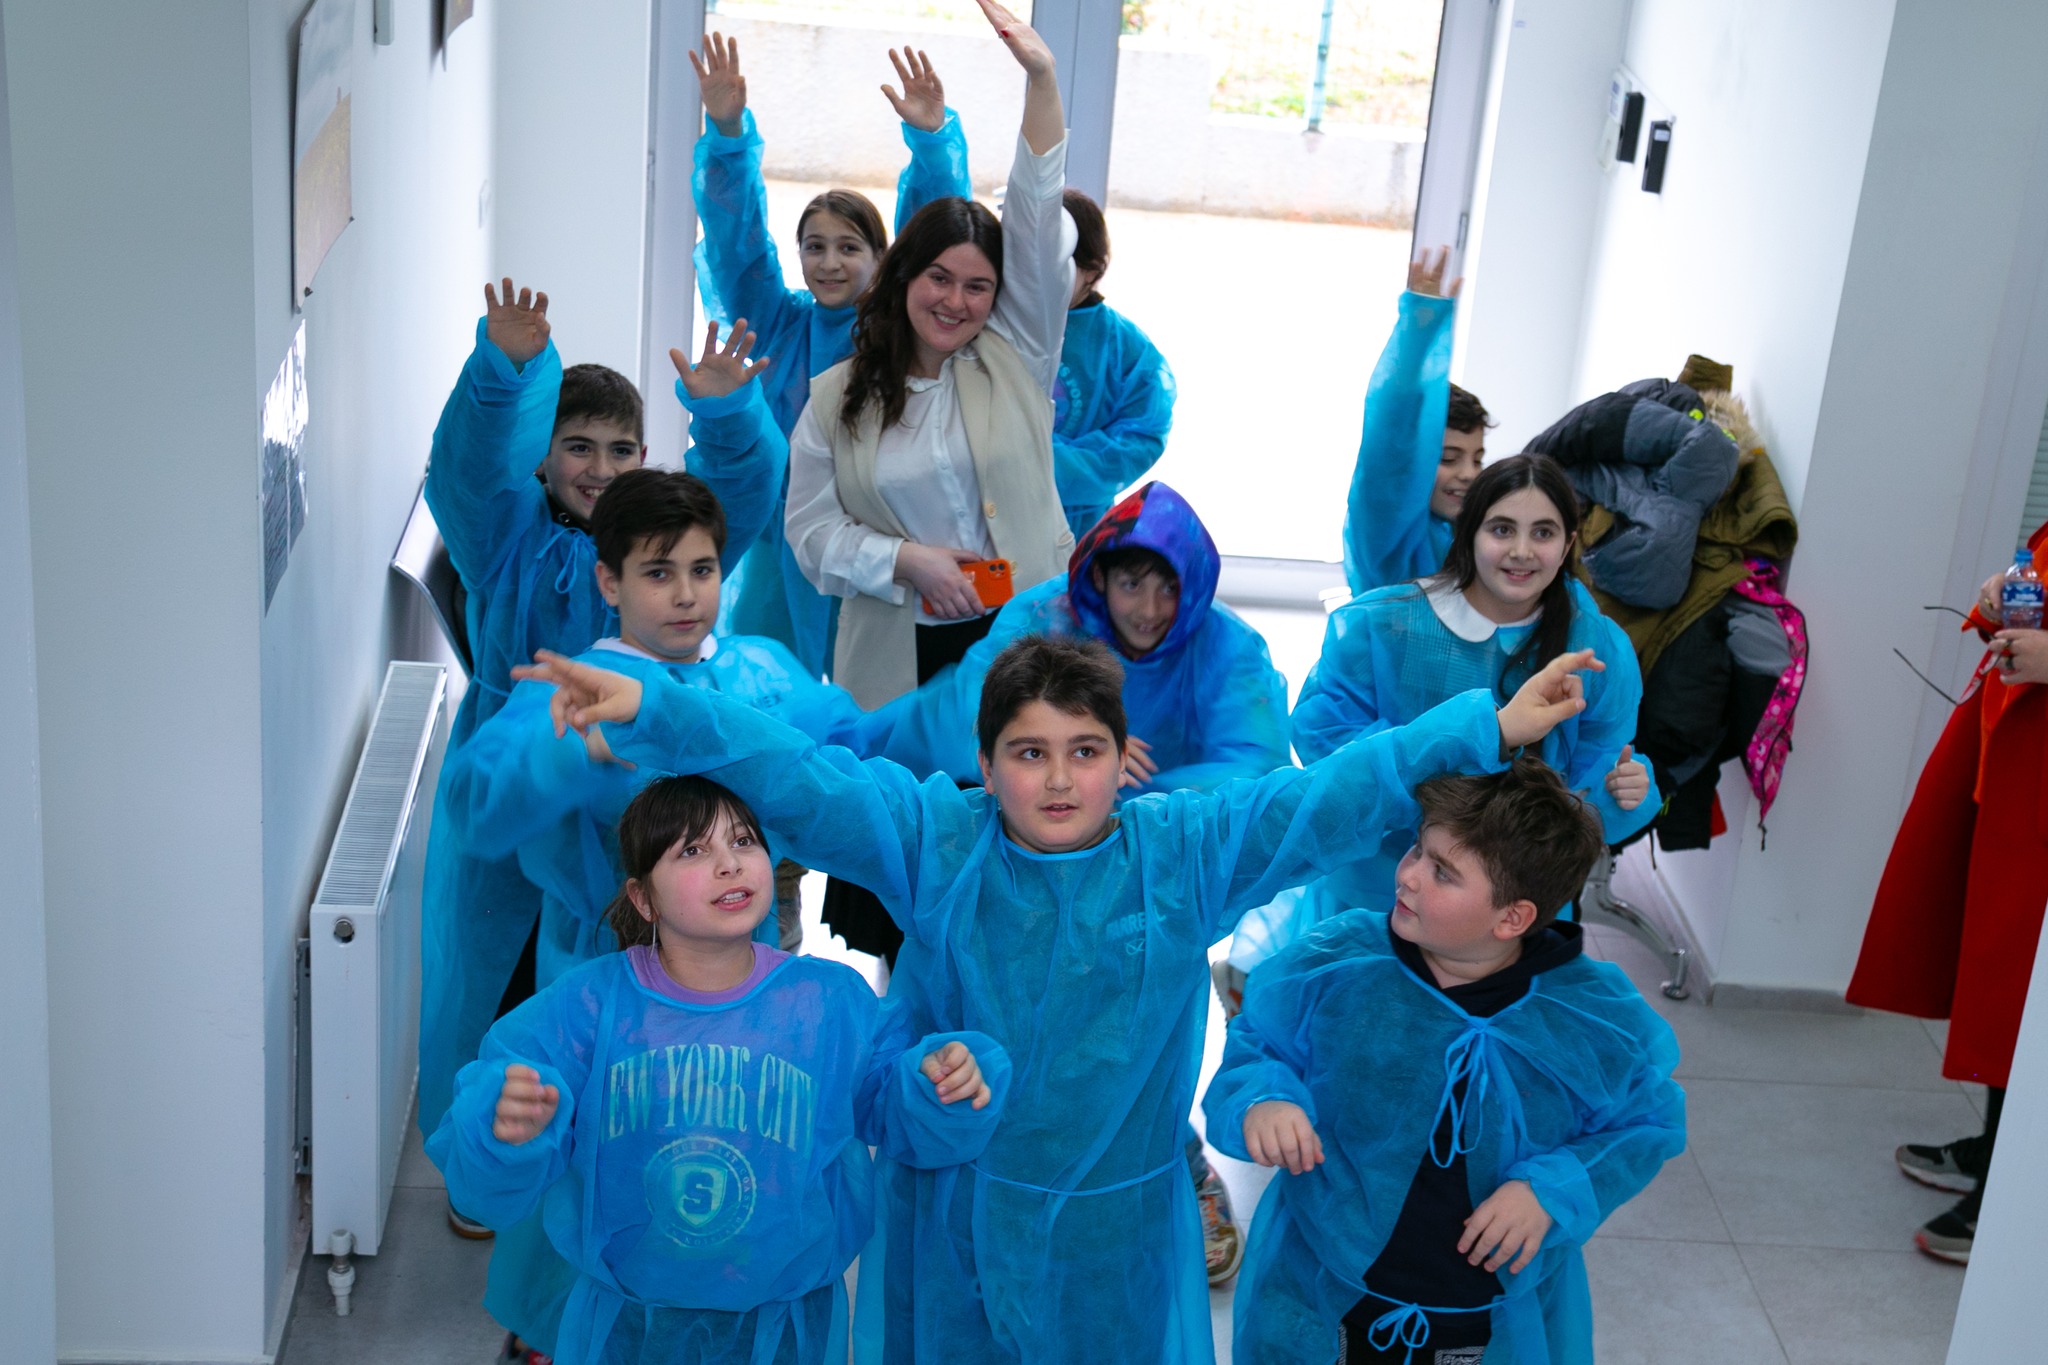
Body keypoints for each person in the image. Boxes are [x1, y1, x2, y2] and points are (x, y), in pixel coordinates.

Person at [510, 629, 1606, 1363]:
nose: (1057, 778)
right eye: (1027, 753)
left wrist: (1487, 728)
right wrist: (659, 709)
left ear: (1125, 758)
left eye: (1084, 751)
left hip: (1113, 1232)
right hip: (955, 1216)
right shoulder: (936, 840)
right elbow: (801, 776)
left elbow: (1327, 795)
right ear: (985, 764)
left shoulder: (1184, 853)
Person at [427, 775, 1012, 1365]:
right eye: (692, 850)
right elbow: (488, 1175)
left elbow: (891, 1103)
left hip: (785, 1330)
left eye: (743, 841)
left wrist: (937, 1084)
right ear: (643, 899)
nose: (730, 864)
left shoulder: (827, 1002)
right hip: (628, 1327)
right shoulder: (589, 1009)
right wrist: (507, 1128)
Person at [870, 479, 1291, 1284]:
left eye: (1169, 586)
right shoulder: (1041, 618)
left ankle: (1176, 1152)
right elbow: (973, 727)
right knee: (1018, 1023)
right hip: (1024, 868)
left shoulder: (1227, 646)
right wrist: (1087, 760)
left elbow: (1258, 771)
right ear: (1097, 576)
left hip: (1150, 881)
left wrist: (1120, 796)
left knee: (1131, 1035)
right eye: (1131, 582)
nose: (1151, 607)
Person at [417, 289, 780, 1213]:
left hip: (632, 789)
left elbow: (736, 499)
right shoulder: (506, 540)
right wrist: (505, 374)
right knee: (493, 979)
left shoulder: (657, 548)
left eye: (622, 449)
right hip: (518, 772)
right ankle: (487, 1160)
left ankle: (623, 1167)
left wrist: (728, 415)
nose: (600, 467)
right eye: (578, 446)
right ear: (540, 456)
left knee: (631, 979)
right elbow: (467, 469)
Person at [1204, 758, 1686, 1363]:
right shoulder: (1337, 964)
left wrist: (1551, 1190)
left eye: (1442, 872)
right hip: (1326, 1290)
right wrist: (1265, 1096)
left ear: (1512, 917)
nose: (1407, 875)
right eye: (1417, 849)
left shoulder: (1591, 1018)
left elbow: (1644, 1124)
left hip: (1484, 1317)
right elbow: (1259, 1040)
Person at [1227, 453, 1657, 976]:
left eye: (1543, 533)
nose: (1522, 551)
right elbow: (1329, 741)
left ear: (1567, 544)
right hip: (1380, 885)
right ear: (1468, 532)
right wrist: (1454, 787)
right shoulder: (1385, 625)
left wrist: (1623, 790)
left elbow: (1594, 774)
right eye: (1502, 529)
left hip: (1505, 907)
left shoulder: (1595, 647)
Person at [783, 0, 1076, 713]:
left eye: (978, 287)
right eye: (939, 279)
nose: (956, 302)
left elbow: (1036, 217)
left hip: (1023, 638)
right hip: (894, 656)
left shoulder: (1017, 354)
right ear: (903, 277)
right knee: (904, 783)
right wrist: (905, 561)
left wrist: (1042, 81)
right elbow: (810, 534)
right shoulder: (835, 397)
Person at [690, 32, 973, 677]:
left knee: (867, 692)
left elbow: (935, 234)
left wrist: (932, 141)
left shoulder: (897, 327)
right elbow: (737, 242)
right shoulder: (776, 322)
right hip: (783, 542)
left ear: (882, 257)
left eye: (849, 247)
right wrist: (727, 132)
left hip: (878, 542)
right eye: (814, 247)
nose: (829, 262)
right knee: (774, 688)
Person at [1847, 531, 2048, 1264]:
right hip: (2016, 760)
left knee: (2025, 989)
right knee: (2003, 981)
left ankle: (2015, 1190)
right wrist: (2006, 596)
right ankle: (1999, 1144)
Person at [1343, 246, 1490, 597]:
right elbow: (1392, 429)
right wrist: (1419, 330)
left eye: (1477, 459)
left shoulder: (1468, 529)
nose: (1468, 474)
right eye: (1449, 458)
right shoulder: (1389, 531)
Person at [1048, 189, 1175, 539]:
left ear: (1092, 271)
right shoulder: (991, 321)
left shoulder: (1124, 348)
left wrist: (1041, 464)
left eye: (1054, 264)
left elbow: (1141, 437)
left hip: (1076, 529)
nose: (1036, 277)